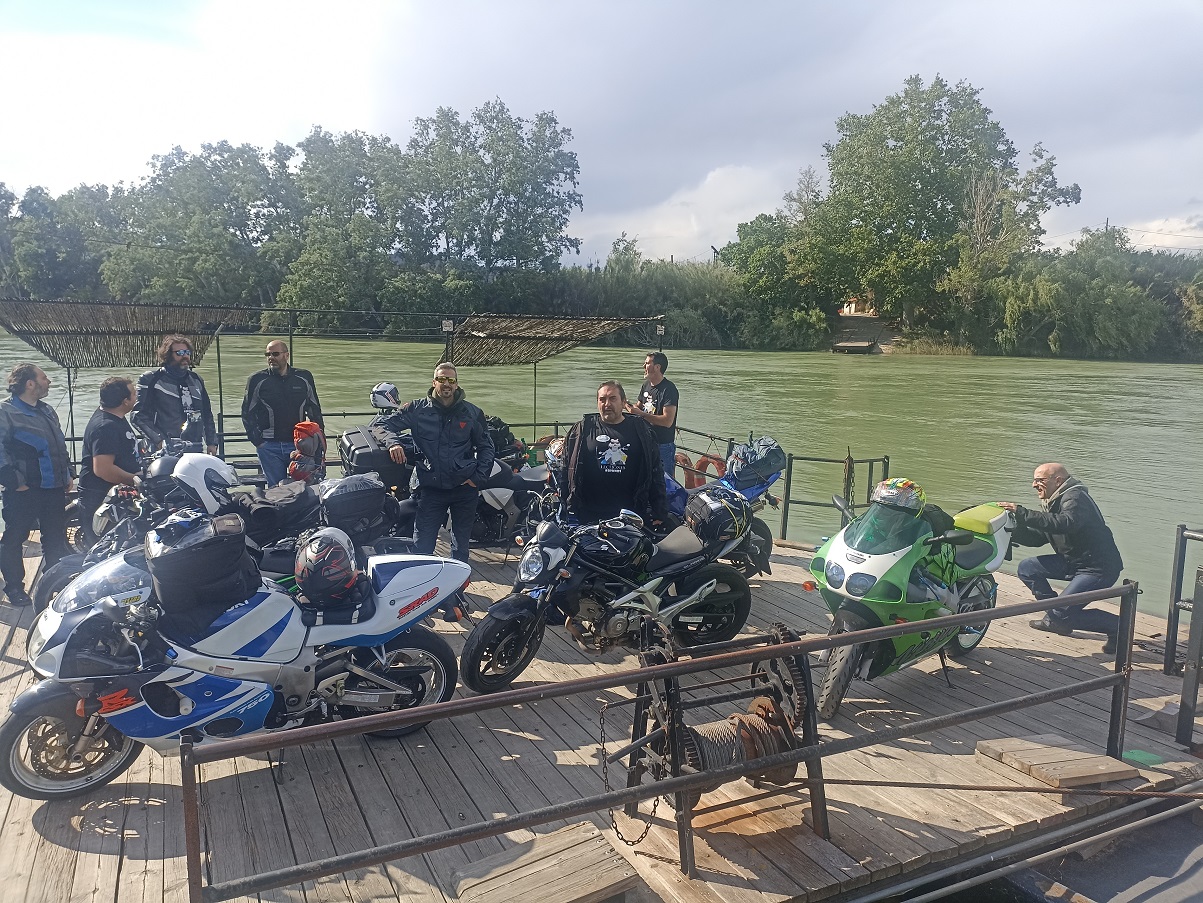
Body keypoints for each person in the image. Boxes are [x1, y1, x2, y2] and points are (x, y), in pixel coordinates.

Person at [1000, 463, 1123, 654]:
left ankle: (1117, 626)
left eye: (1039, 480)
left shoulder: (1075, 498)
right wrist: (1011, 532)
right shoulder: (1055, 500)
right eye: (1033, 480)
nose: (1034, 485)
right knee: (1027, 568)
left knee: (1062, 615)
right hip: (1073, 562)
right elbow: (1039, 538)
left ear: (1057, 480)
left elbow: (1066, 523)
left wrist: (1022, 513)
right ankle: (1056, 617)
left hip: (1098, 568)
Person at [382, 363, 494, 564]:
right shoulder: (416, 409)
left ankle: (459, 582)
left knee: (461, 548)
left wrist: (478, 477)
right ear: (434, 382)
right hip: (430, 488)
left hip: (464, 488)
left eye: (451, 380)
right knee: (422, 546)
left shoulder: (472, 413)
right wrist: (393, 443)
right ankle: (422, 581)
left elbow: (487, 447)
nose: (446, 384)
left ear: (456, 384)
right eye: (442, 379)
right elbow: (382, 424)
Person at [0, 363, 74, 606]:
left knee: (55, 536)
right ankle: (14, 587)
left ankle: (55, 581)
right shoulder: (5, 411)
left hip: (53, 487)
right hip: (24, 490)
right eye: (44, 378)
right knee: (15, 537)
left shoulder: (47, 410)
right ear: (29, 383)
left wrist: (68, 473)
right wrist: (14, 482)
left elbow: (59, 445)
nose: (48, 382)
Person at [560, 380, 667, 525]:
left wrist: (659, 511)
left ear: (623, 402)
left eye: (612, 398)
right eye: (602, 399)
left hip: (630, 514)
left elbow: (655, 471)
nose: (607, 404)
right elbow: (566, 469)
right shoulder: (581, 430)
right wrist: (564, 505)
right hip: (588, 514)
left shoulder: (642, 430)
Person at [241, 340, 324, 486]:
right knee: (275, 491)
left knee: (304, 488)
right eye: (268, 354)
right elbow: (247, 412)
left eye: (275, 354)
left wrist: (318, 442)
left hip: (300, 446)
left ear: (286, 355)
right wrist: (258, 442)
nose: (271, 357)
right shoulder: (256, 380)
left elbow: (314, 410)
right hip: (269, 447)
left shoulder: (303, 377)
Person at [133, 334, 218, 455]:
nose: (185, 356)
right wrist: (159, 440)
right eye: (179, 353)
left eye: (187, 352)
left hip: (194, 447)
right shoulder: (151, 379)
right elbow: (138, 416)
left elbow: (206, 414)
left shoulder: (196, 380)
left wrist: (211, 442)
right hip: (163, 449)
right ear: (168, 355)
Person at [78, 377, 141, 520]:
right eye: (134, 393)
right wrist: (135, 480)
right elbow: (103, 469)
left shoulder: (115, 416)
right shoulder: (105, 427)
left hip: (116, 492)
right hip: (100, 497)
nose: (136, 396)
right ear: (125, 401)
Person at [625, 351, 679, 477]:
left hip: (662, 445)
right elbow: (638, 407)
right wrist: (625, 404)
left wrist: (641, 414)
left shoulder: (669, 389)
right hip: (644, 441)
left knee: (664, 480)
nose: (643, 366)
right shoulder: (646, 385)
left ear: (657, 367)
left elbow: (667, 421)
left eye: (647, 363)